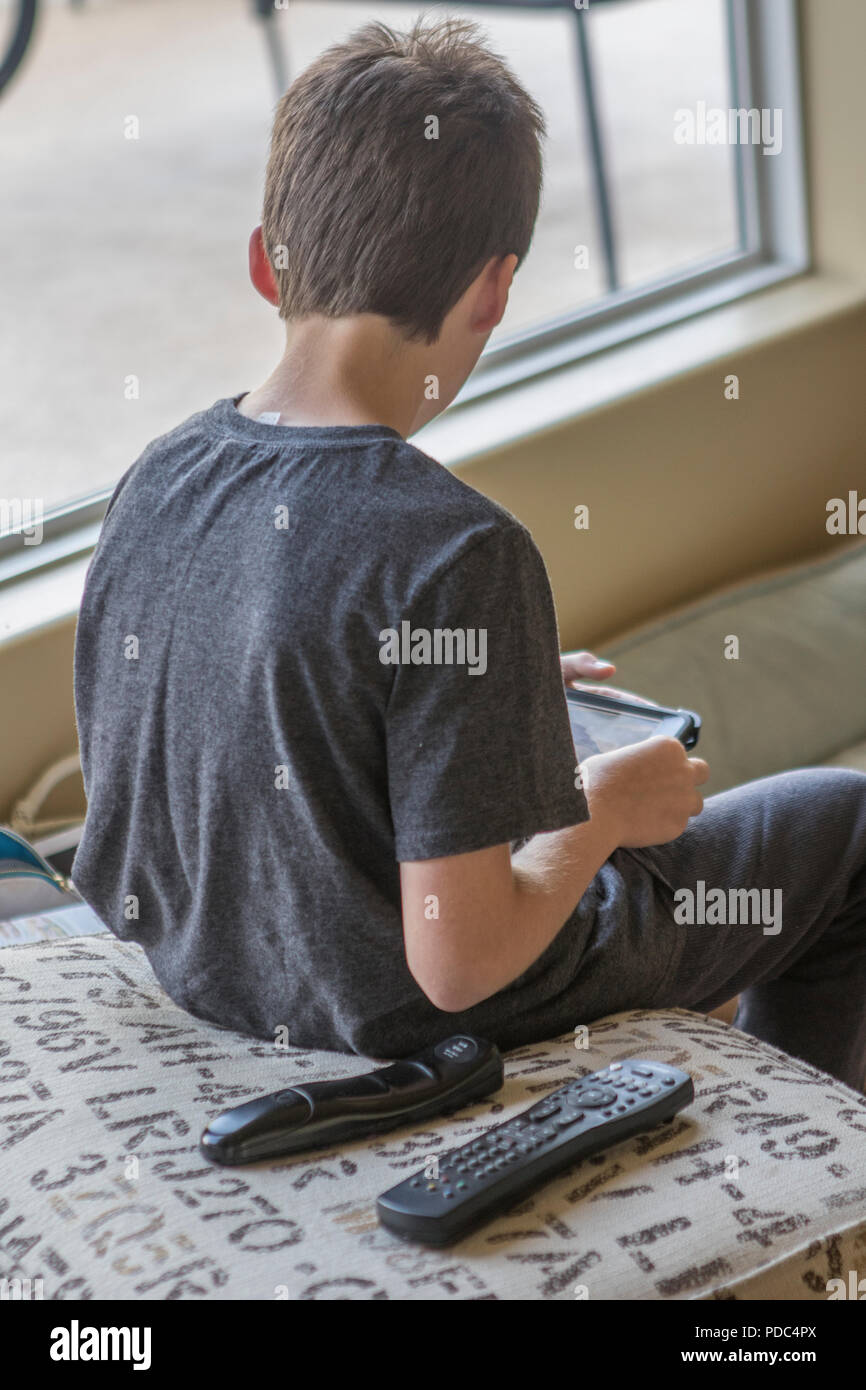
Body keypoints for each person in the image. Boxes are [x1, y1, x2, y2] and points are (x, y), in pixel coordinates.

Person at [73, 18, 866, 1090]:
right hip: (397, 1009)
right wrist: (594, 813)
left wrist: (498, 702)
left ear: (268, 263)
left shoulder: (156, 477)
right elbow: (456, 965)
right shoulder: (458, 549)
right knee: (844, 822)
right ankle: (813, 1179)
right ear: (492, 289)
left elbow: (233, 717)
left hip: (211, 972)